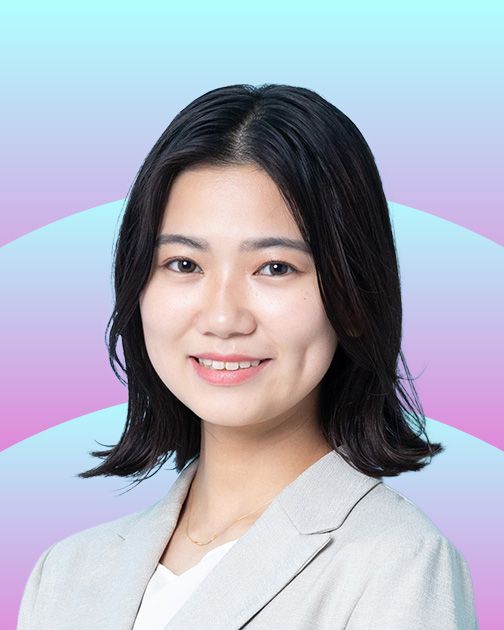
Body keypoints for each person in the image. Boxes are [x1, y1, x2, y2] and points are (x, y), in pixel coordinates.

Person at [17, 83, 478, 629]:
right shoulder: (66, 574)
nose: (223, 317)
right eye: (184, 264)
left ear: (352, 298)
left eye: (275, 268)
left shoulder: (399, 564)